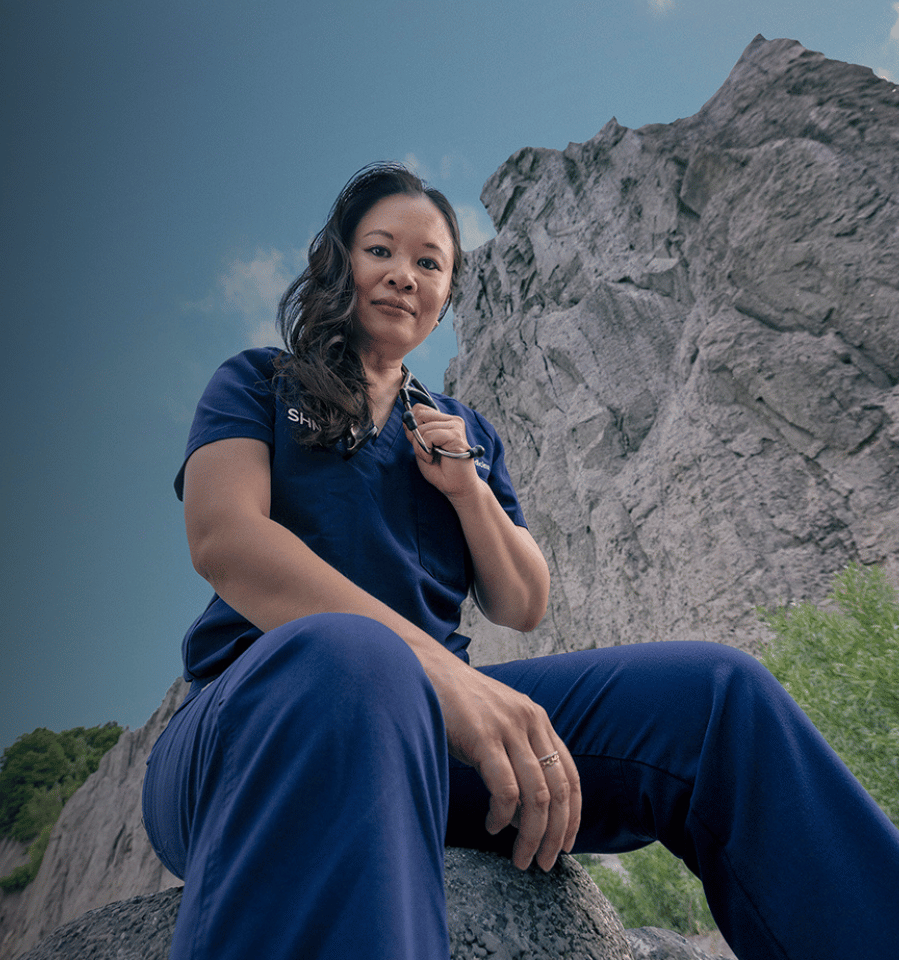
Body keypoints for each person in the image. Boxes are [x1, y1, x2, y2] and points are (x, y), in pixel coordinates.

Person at [141, 162, 899, 960]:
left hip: (442, 744)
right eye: (380, 250)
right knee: (353, 658)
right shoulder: (258, 382)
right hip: (260, 729)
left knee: (717, 694)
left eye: (430, 262)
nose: (404, 274)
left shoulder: (462, 430)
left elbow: (523, 601)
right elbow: (224, 540)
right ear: (340, 264)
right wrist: (442, 673)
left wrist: (468, 491)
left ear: (446, 295)